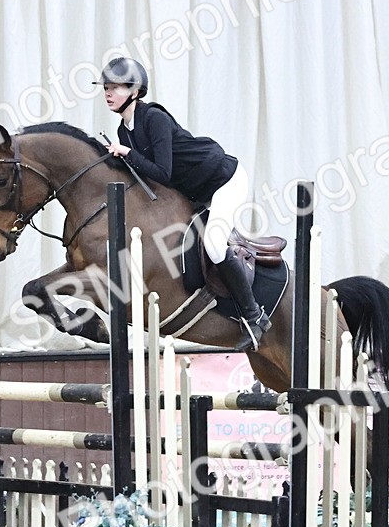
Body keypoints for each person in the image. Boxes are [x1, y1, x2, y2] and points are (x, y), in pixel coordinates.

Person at [95, 57, 270, 351]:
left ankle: (254, 316)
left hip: (223, 180)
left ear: (135, 92)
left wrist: (128, 154)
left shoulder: (154, 118)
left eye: (116, 87)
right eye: (106, 88)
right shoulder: (124, 131)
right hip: (194, 191)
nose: (108, 93)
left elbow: (163, 172)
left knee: (214, 244)